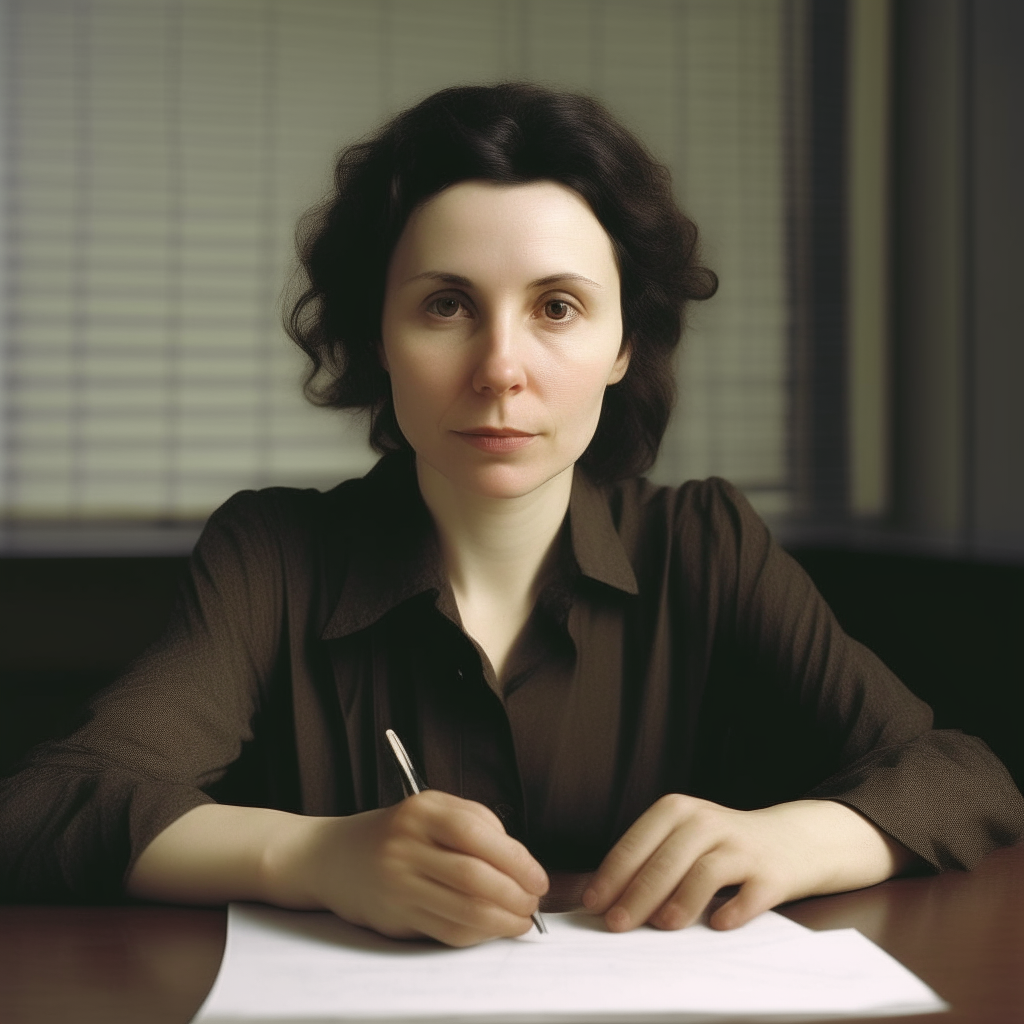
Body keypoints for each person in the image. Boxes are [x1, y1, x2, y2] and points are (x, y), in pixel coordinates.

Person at [1, 83, 1021, 948]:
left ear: (625, 345)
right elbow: (50, 807)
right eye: (446, 303)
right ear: (377, 336)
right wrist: (312, 854)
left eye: (558, 306)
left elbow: (962, 778)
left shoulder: (705, 545)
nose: (500, 371)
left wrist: (792, 839)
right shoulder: (271, 554)